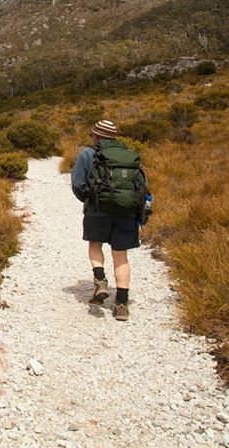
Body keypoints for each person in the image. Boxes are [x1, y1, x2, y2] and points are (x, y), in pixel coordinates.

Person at [70, 119, 147, 321]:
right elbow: (142, 185)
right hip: (126, 212)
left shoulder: (88, 154)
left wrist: (90, 200)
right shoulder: (129, 155)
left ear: (96, 136)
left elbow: (78, 184)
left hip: (98, 210)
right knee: (121, 256)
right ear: (114, 137)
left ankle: (100, 280)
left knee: (95, 244)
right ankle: (122, 304)